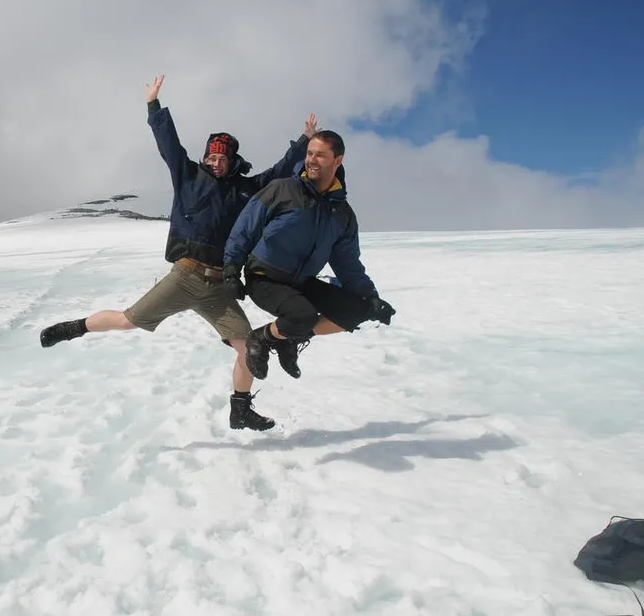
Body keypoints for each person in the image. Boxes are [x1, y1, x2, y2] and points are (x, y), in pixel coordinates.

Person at [39, 74, 318, 431]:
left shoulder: (246, 189)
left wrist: (304, 142)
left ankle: (240, 408)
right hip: (184, 277)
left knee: (249, 347)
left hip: (219, 288)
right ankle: (73, 328)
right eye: (211, 156)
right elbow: (169, 144)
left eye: (222, 158)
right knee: (127, 320)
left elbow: (279, 174)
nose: (216, 162)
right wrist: (154, 105)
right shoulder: (188, 176)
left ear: (233, 161)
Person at [222, 129, 396, 390]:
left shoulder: (342, 214)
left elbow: (347, 263)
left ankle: (288, 338)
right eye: (309, 153)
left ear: (338, 161)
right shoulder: (282, 189)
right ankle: (260, 338)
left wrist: (370, 296)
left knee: (356, 311)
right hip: (264, 277)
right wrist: (231, 269)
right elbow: (245, 228)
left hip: (301, 282)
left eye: (321, 155)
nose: (312, 160)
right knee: (302, 315)